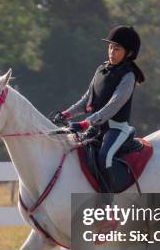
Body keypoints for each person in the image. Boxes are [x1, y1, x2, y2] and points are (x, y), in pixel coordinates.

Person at [53, 25, 145, 172]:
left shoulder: (129, 76)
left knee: (104, 157)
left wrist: (85, 123)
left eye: (117, 49)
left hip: (117, 129)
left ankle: (110, 195)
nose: (111, 52)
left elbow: (113, 105)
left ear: (129, 53)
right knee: (75, 152)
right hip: (96, 127)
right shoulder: (101, 70)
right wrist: (66, 114)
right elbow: (86, 99)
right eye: (110, 47)